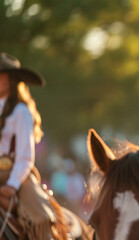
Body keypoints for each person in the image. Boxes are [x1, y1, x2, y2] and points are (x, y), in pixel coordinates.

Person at [0, 52, 67, 239]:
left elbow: (25, 156)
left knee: (40, 218)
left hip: (16, 175)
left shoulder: (20, 111)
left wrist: (12, 185)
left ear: (11, 79)